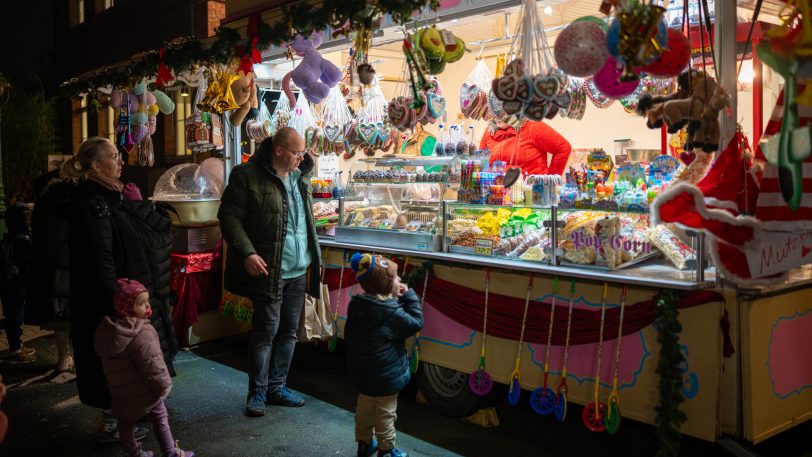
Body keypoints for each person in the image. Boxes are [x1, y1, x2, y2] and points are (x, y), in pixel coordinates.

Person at [62, 137, 177, 442]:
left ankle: (123, 415)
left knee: (126, 359)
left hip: (123, 293)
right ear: (97, 165)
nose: (121, 161)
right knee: (116, 360)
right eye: (114, 157)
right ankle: (114, 422)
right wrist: (118, 298)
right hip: (109, 300)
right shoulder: (94, 203)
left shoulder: (110, 197)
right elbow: (101, 257)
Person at [219, 127, 322, 416]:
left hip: (299, 269)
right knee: (266, 331)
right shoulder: (246, 176)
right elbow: (228, 217)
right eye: (297, 152)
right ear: (278, 150)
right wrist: (247, 252)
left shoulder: (301, 178)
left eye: (304, 153)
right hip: (271, 269)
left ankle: (277, 387)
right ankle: (257, 393)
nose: (302, 158)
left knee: (289, 331)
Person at [95, 279, 193, 457]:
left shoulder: (109, 332)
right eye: (141, 303)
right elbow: (152, 365)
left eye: (147, 302)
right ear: (126, 306)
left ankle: (135, 454)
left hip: (121, 393)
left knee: (125, 424)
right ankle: (170, 452)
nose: (147, 306)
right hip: (145, 392)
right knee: (160, 417)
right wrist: (162, 385)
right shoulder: (142, 333)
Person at [345, 253, 423, 457]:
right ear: (387, 284)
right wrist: (408, 297)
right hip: (386, 376)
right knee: (386, 413)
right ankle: (386, 449)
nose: (399, 281)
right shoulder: (391, 313)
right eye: (396, 278)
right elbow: (416, 323)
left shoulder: (357, 305)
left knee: (364, 408)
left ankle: (363, 443)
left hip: (363, 372)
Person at [28, 172, 74, 372]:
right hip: (75, 258)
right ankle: (77, 359)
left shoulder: (44, 200)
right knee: (77, 311)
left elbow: (36, 232)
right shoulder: (77, 198)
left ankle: (64, 357)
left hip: (51, 260)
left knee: (58, 313)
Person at [479, 91, 572, 176]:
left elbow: (563, 148)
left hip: (532, 191)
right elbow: (481, 164)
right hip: (498, 192)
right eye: (494, 111)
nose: (497, 116)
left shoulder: (533, 127)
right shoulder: (490, 131)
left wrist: (550, 182)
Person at [0, 203, 35, 363]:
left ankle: (17, 344)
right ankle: (15, 349)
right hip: (16, 285)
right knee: (15, 317)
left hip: (9, 284)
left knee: (13, 315)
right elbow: (26, 263)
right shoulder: (23, 240)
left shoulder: (9, 237)